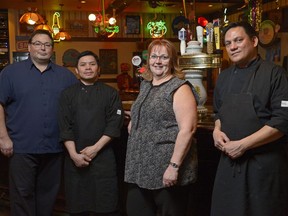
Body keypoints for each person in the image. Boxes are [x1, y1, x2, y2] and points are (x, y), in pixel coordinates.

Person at [211, 21, 288, 216]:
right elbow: (218, 113)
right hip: (228, 165)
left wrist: (243, 145)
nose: (233, 47)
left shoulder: (275, 74)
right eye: (228, 43)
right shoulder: (223, 77)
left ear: (254, 41)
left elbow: (282, 120)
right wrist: (216, 131)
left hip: (262, 166)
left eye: (238, 40)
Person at [0, 29, 78, 216]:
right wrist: (3, 137)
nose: (43, 48)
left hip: (55, 147)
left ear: (52, 49)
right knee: (22, 196)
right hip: (21, 146)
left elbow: (79, 106)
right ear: (29, 47)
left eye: (47, 44)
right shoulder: (10, 73)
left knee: (48, 196)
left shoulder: (66, 76)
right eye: (38, 43)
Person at [124, 39, 199, 216]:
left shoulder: (180, 88)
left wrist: (174, 166)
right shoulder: (146, 84)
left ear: (172, 61)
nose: (158, 61)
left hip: (166, 167)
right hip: (139, 167)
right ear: (148, 60)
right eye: (154, 56)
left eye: (164, 57)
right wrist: (135, 120)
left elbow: (187, 130)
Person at [58, 50, 124, 216]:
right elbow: (65, 126)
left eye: (92, 64)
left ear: (98, 69)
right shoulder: (67, 94)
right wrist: (74, 154)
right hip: (75, 158)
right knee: (77, 207)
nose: (88, 68)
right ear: (77, 71)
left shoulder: (111, 93)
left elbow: (114, 124)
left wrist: (95, 149)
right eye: (83, 65)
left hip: (103, 158)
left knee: (105, 207)